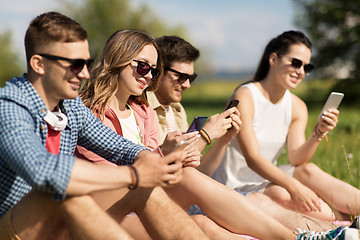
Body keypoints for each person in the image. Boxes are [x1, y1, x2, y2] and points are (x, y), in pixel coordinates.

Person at [77, 30, 358, 240]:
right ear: (119, 60)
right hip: (111, 205)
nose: (148, 76)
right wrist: (200, 140)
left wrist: (211, 142)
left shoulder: (144, 114)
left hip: (154, 197)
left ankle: (328, 233)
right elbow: (116, 175)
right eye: (143, 67)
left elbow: (179, 171)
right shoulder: (89, 114)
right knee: (256, 199)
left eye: (153, 70)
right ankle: (300, 237)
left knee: (202, 224)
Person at [0, 12, 210, 240]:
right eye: (74, 65)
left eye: (87, 64)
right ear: (39, 64)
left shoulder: (70, 106)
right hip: (14, 225)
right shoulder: (8, 107)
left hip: (59, 220)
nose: (84, 74)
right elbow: (44, 171)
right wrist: (133, 175)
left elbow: (117, 146)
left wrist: (147, 159)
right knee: (63, 194)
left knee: (142, 189)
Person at [211, 30, 360, 223]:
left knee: (309, 170)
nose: (301, 72)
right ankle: (346, 220)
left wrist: (318, 133)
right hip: (235, 183)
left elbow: (296, 158)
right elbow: (252, 158)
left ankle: (351, 218)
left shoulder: (297, 106)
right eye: (296, 63)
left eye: (307, 67)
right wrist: (295, 187)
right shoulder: (245, 95)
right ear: (273, 59)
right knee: (282, 193)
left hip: (267, 178)